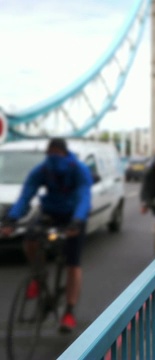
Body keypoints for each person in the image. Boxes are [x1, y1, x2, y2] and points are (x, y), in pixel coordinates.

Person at [0, 137, 92, 332]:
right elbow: (26, 195)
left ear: (65, 154)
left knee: (73, 264)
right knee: (30, 240)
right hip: (50, 213)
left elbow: (84, 196)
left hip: (73, 215)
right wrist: (12, 219)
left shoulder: (79, 169)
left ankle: (69, 311)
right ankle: (38, 274)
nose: (53, 158)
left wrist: (77, 220)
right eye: (50, 155)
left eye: (56, 155)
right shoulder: (42, 170)